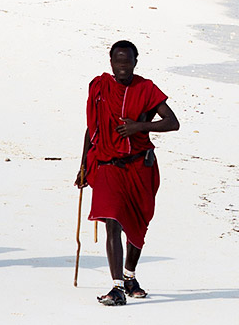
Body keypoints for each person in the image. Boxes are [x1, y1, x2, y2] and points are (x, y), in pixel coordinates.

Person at [76, 41, 180, 306]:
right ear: (111, 63)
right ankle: (117, 288)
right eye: (118, 61)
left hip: (140, 166)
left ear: (135, 62)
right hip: (108, 164)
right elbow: (93, 128)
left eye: (127, 61)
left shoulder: (146, 89)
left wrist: (139, 127)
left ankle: (129, 276)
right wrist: (83, 165)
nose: (123, 66)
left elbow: (172, 122)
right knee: (113, 222)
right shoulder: (100, 87)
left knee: (137, 224)